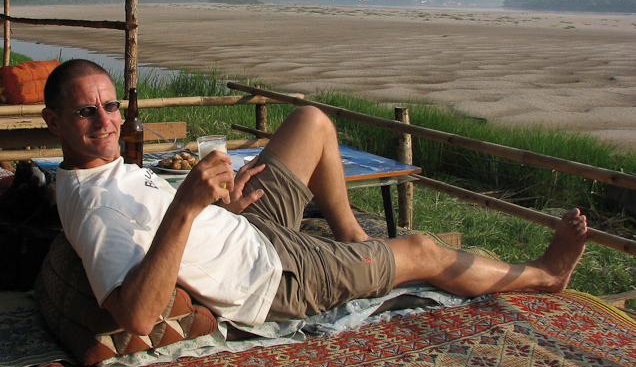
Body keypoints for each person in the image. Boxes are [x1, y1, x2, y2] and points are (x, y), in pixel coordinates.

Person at [42, 59, 589, 336]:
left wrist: (217, 206)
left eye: (110, 106)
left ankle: (354, 242)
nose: (106, 121)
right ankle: (545, 275)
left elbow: (170, 229)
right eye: (86, 112)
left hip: (243, 225)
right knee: (424, 248)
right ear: (54, 121)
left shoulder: (103, 171)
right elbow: (137, 316)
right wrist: (188, 205)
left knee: (311, 121)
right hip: (272, 269)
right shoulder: (94, 209)